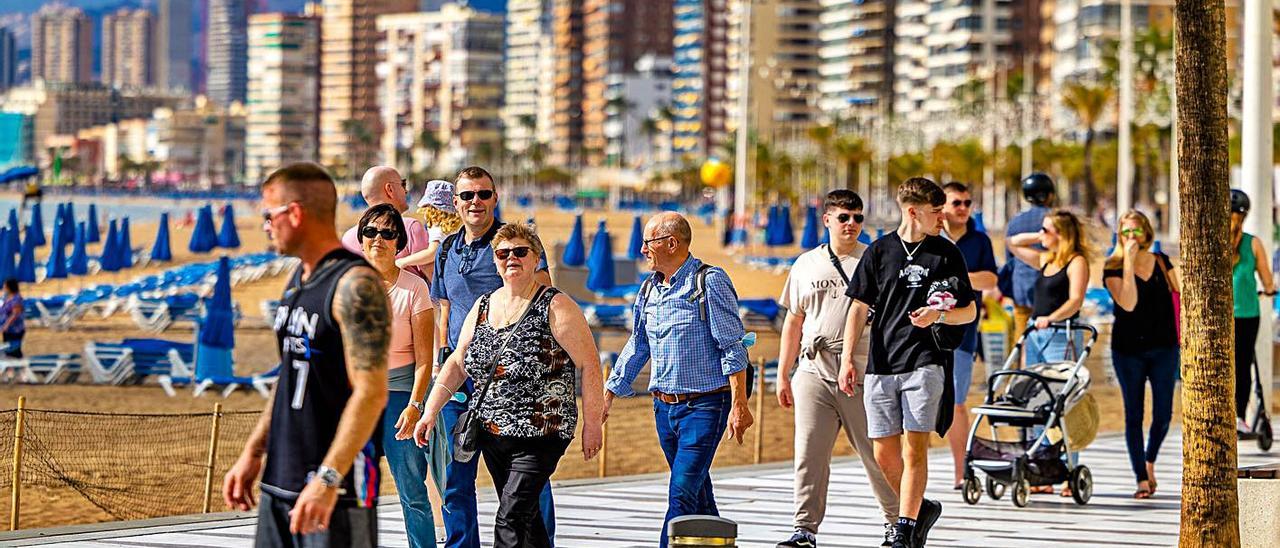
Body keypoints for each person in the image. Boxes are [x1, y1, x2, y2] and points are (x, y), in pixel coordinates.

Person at [223, 162, 391, 548]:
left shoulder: (355, 284)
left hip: (337, 487)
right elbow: (291, 371)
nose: (265, 225)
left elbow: (371, 393)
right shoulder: (296, 281)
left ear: (295, 213)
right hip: (280, 477)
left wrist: (329, 479)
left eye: (269, 215)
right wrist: (253, 452)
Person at [413, 223, 603, 548]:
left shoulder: (556, 305)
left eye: (520, 252)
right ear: (495, 261)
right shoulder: (484, 305)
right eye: (503, 254)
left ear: (535, 258)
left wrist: (592, 425)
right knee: (526, 519)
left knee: (510, 517)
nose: (511, 258)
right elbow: (458, 362)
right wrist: (429, 411)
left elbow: (590, 365)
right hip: (492, 432)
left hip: (542, 432)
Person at [839, 177, 977, 548]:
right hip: (882, 363)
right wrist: (847, 359)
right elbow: (858, 307)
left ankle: (904, 527)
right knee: (884, 452)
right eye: (936, 212)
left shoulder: (947, 254)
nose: (943, 219)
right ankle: (919, 507)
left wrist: (939, 317)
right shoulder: (880, 252)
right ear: (914, 212)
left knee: (914, 448)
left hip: (926, 362)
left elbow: (969, 311)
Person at [604, 211, 754, 548]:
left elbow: (733, 346)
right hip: (663, 410)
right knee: (698, 492)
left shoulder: (709, 281)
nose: (642, 249)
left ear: (671, 244)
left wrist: (739, 405)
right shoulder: (648, 288)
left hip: (705, 407)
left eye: (648, 242)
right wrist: (611, 390)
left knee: (681, 495)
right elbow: (638, 343)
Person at [429, 166, 555, 548]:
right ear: (456, 203)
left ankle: (538, 544)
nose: (475, 202)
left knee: (525, 476)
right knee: (456, 475)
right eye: (467, 196)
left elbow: (546, 299)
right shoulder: (448, 248)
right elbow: (445, 311)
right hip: (460, 375)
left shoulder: (514, 245)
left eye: (483, 194)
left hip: (510, 378)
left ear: (494, 198)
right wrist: (440, 361)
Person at [775, 190, 900, 548]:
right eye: (844, 217)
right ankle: (804, 529)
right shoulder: (805, 264)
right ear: (827, 219)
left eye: (858, 218)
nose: (852, 224)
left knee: (877, 452)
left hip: (863, 370)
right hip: (813, 370)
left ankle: (896, 522)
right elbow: (793, 321)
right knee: (809, 454)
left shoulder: (876, 259)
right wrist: (784, 373)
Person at [356, 204, 442, 546]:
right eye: (371, 232)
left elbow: (425, 360)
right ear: (361, 239)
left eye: (388, 233)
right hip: (357, 399)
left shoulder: (414, 289)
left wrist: (415, 405)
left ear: (399, 243)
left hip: (400, 398)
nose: (378, 238)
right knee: (358, 492)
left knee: (411, 490)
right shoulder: (347, 285)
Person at [1006, 208, 1091, 496]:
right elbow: (1013, 243)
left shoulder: (1076, 261)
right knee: (1036, 400)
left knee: (1062, 402)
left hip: (1060, 333)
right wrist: (1041, 233)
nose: (1041, 236)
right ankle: (1041, 469)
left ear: (1062, 235)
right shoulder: (1046, 259)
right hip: (1036, 333)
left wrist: (1052, 317)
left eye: (1046, 230)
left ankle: (1068, 469)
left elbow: (1076, 299)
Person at [1103, 210, 1179, 499]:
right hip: (1128, 350)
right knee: (1133, 415)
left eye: (1136, 231)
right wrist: (1129, 263)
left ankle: (1150, 461)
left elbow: (1181, 294)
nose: (1131, 237)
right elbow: (1129, 303)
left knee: (1163, 414)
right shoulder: (1111, 267)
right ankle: (1141, 479)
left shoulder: (1162, 262)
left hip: (1164, 347)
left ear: (1147, 233)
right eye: (1126, 232)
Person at [939, 182, 997, 490]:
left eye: (967, 202)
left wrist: (956, 276)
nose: (962, 208)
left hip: (963, 334)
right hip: (927, 332)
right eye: (956, 202)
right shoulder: (931, 237)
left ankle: (960, 471)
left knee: (957, 401)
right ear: (943, 207)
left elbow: (990, 278)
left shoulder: (980, 240)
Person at [1229, 189, 1277, 434]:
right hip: (1248, 313)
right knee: (1243, 363)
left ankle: (1230, 415)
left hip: (1227, 316)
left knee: (1227, 365)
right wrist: (1269, 290)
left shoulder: (1212, 243)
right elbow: (1268, 282)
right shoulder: (1252, 243)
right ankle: (1238, 416)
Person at [341, 166, 432, 279]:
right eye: (403, 184)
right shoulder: (410, 227)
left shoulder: (347, 238)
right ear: (390, 189)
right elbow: (433, 280)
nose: (406, 190)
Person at [1004, 173, 1057, 331]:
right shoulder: (1057, 219)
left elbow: (1009, 260)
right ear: (1050, 195)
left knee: (1022, 338)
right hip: (1051, 293)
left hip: (1021, 290)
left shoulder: (1015, 221)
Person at [409, 179, 464, 284]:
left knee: (425, 264)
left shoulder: (437, 227)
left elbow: (432, 253)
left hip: (445, 278)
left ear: (431, 209)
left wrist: (403, 262)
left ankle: (436, 294)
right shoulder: (453, 227)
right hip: (456, 272)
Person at [0, 279, 24, 359]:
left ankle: (19, 367)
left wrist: (6, 325)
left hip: (15, 329)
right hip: (7, 329)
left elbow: (15, 314)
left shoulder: (16, 298)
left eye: (5, 286)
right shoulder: (6, 297)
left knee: (14, 351)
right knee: (8, 350)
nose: (3, 288)